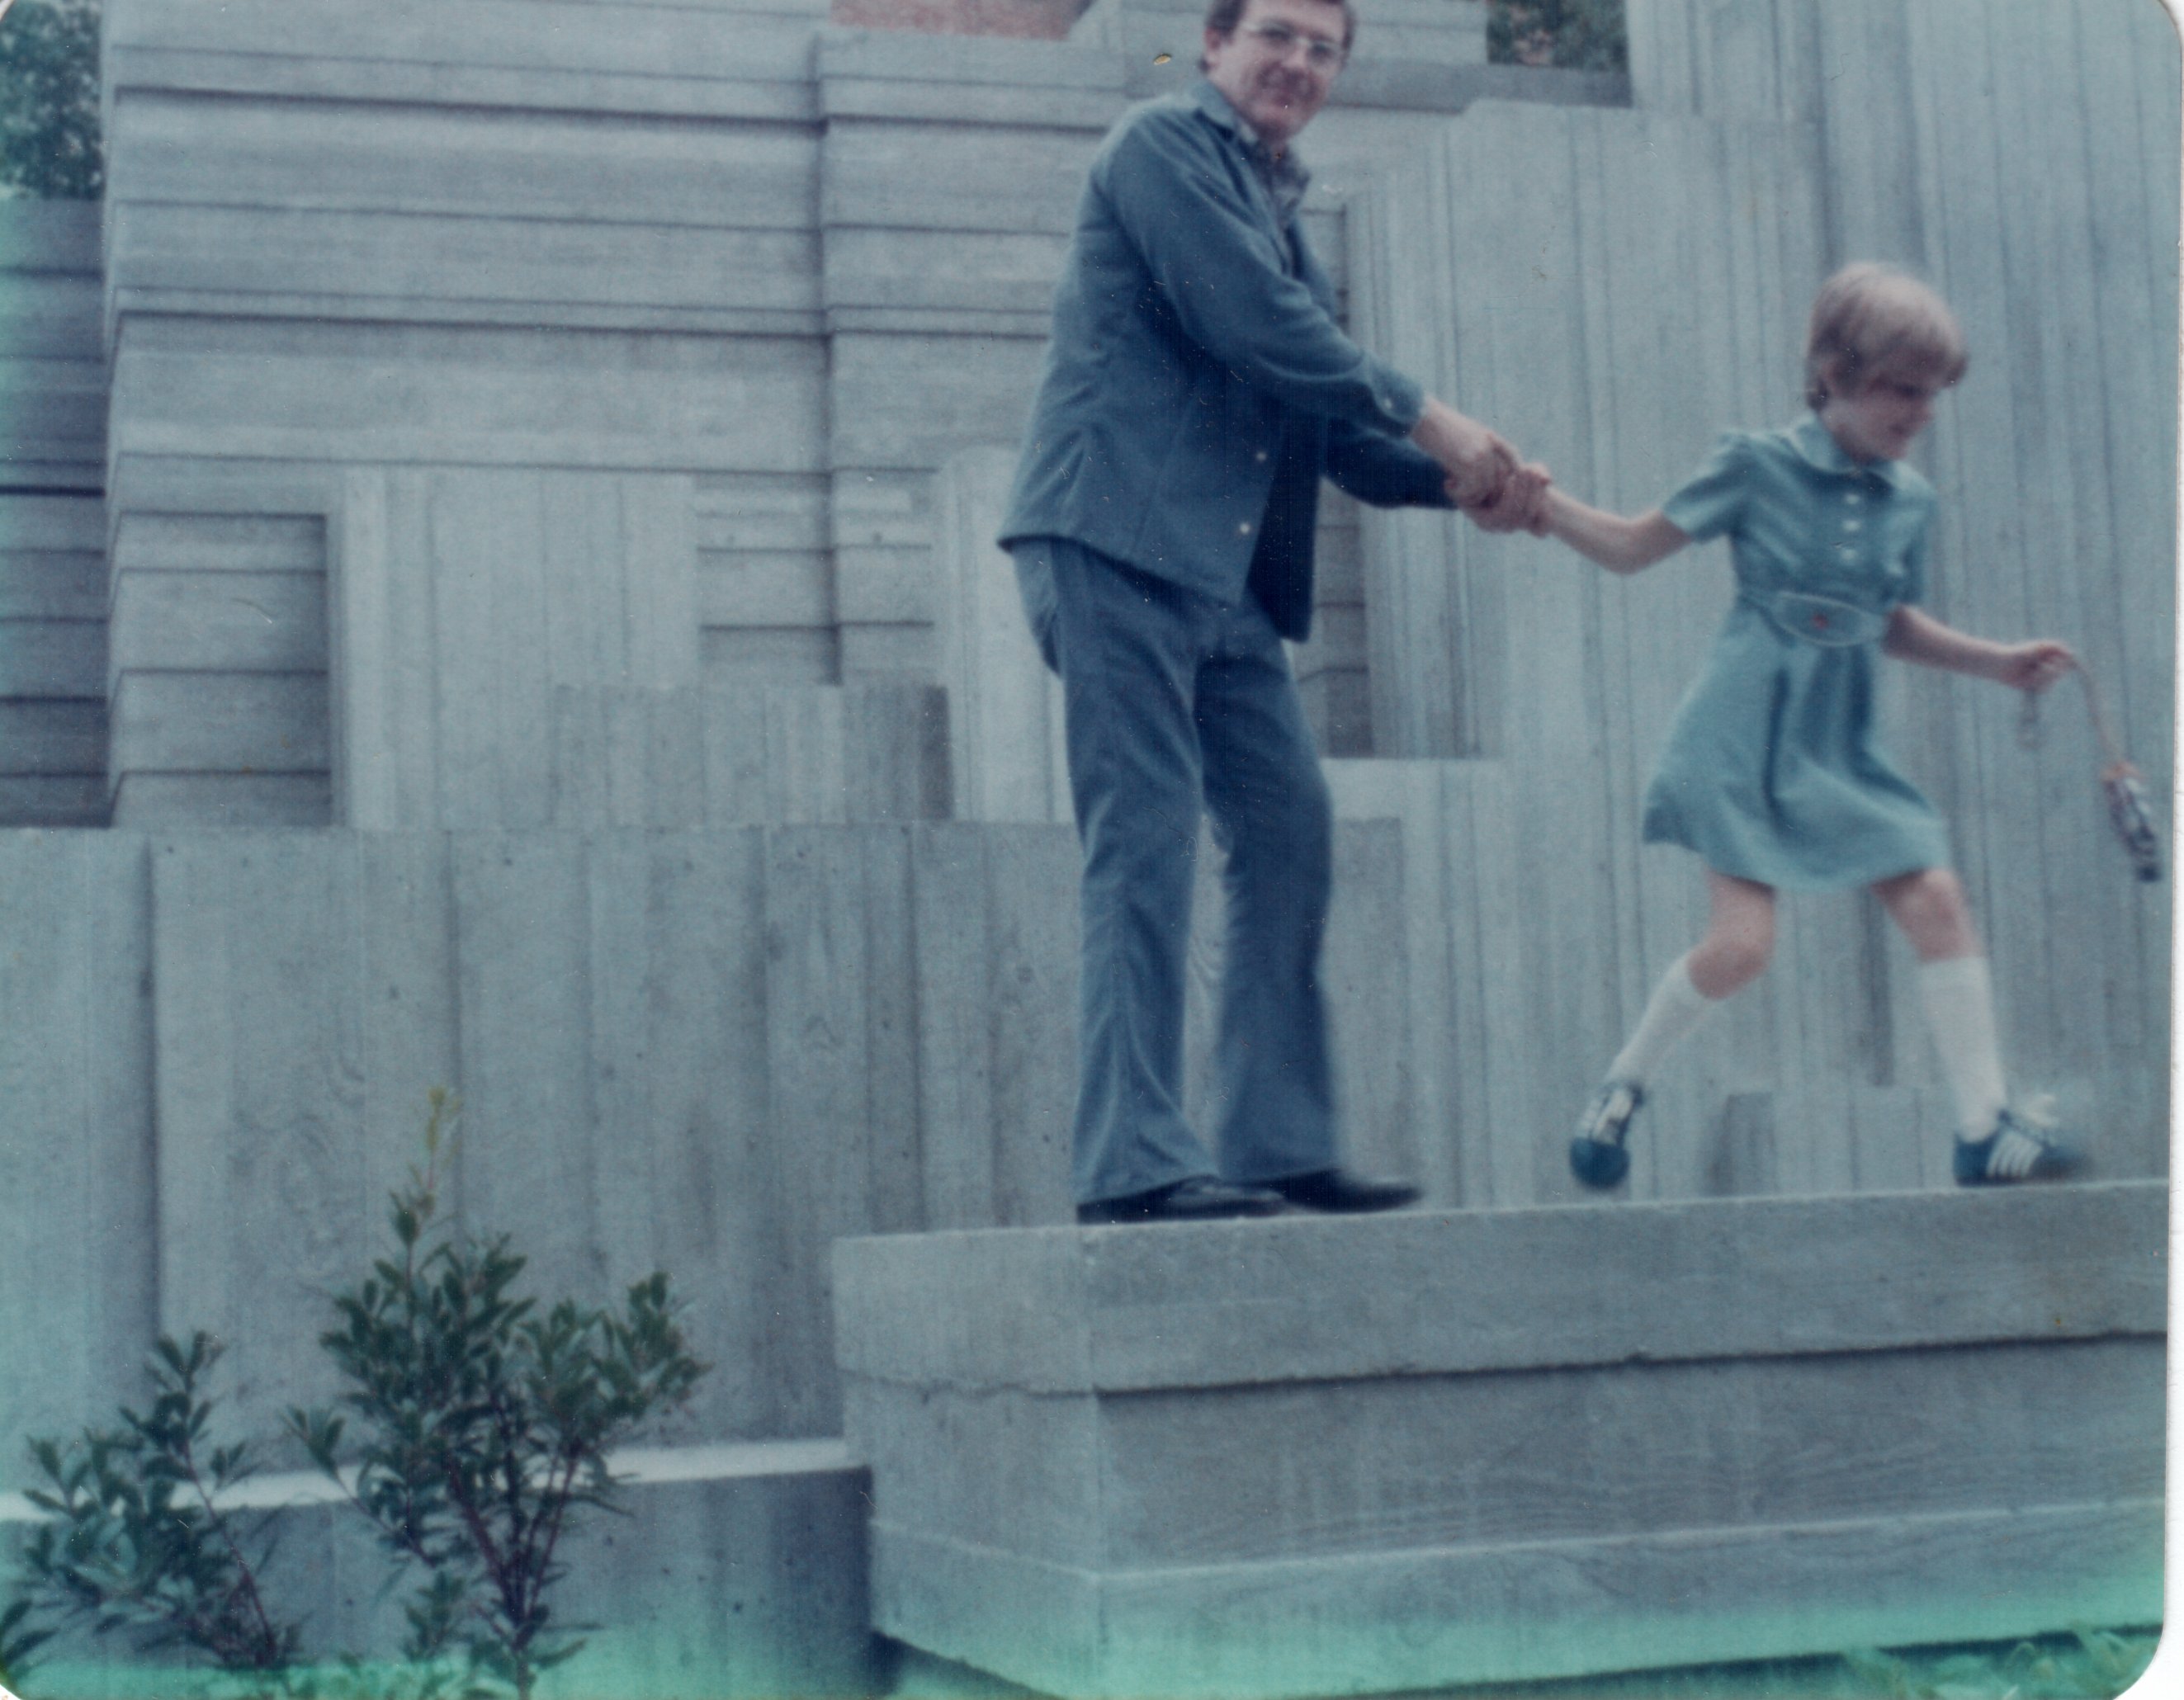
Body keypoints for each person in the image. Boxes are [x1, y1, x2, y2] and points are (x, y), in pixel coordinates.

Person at [1000, 0, 1545, 1225]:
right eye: (1278, 33)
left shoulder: (1285, 218)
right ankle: (1133, 1166)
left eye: (1323, 47)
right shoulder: (1158, 148)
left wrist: (1466, 487)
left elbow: (1329, 431)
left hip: (1221, 581)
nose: (1298, 61)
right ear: (1213, 43)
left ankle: (1272, 1141)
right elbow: (1255, 327)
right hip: (1110, 540)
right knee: (1144, 841)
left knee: (1288, 828)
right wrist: (1438, 419)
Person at [1534, 262, 2083, 1192]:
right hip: (1741, 738)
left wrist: (1997, 662)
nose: (1921, 412)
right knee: (1742, 949)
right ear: (1832, 374)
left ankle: (1983, 1127)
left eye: (1933, 394)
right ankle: (1623, 1086)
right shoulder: (1757, 465)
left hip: (1840, 747)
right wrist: (1535, 500)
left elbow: (1887, 623)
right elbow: (1630, 546)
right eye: (1901, 390)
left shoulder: (1911, 501)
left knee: (1937, 896)